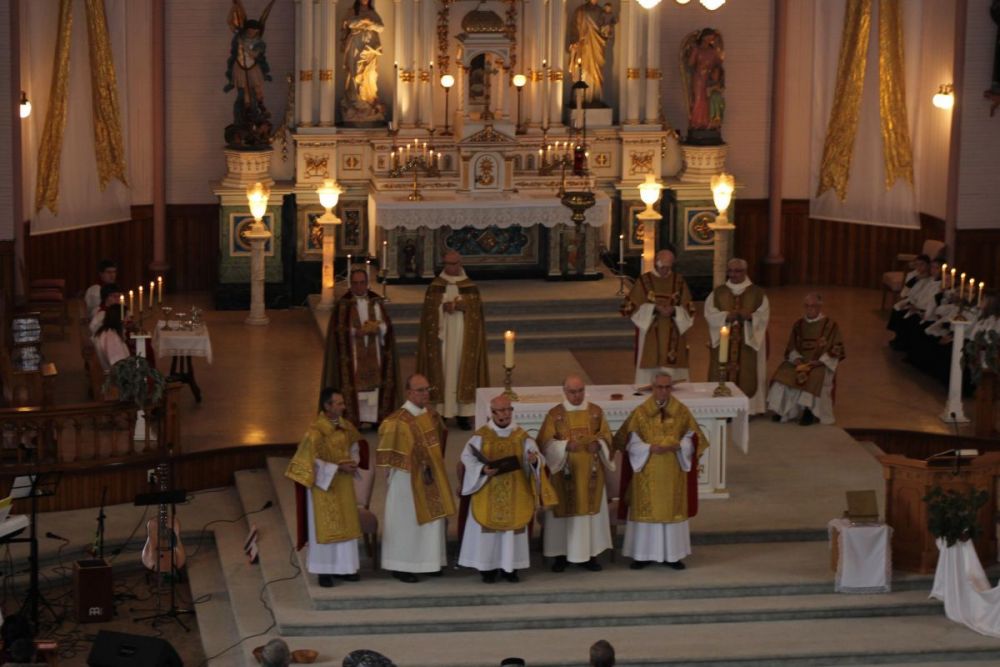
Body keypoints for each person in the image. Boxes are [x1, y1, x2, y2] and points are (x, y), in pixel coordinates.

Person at [458, 395, 556, 583]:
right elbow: (467, 457)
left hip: (516, 492)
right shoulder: (481, 436)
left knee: (512, 532)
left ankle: (510, 568)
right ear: (492, 413)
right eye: (501, 411)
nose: (505, 414)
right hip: (488, 490)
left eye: (508, 410)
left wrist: (534, 461)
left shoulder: (521, 436)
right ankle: (488, 569)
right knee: (489, 531)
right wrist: (482, 469)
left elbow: (538, 458)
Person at [613, 371, 706, 570]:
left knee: (671, 511)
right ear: (652, 388)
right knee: (647, 512)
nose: (663, 391)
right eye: (659, 387)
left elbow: (693, 438)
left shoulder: (681, 411)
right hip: (647, 470)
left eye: (667, 387)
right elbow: (628, 441)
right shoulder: (640, 412)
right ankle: (642, 554)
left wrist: (680, 445)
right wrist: (649, 448)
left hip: (673, 470)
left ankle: (673, 555)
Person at [376, 374, 455, 582]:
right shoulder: (396, 421)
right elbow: (386, 454)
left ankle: (429, 562)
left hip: (430, 475)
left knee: (433, 519)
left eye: (427, 389)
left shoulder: (431, 415)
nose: (425, 394)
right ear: (409, 392)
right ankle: (401, 565)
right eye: (420, 390)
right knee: (407, 521)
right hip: (406, 480)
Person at [284, 388, 363, 587]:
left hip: (343, 484)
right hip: (323, 487)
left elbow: (355, 447)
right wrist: (337, 467)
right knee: (326, 526)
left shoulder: (346, 426)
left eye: (343, 403)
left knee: (346, 523)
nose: (343, 407)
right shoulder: (315, 431)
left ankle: (345, 568)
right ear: (327, 406)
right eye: (338, 403)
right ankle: (324, 570)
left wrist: (354, 461)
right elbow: (311, 461)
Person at [538, 375, 614, 572]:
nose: (577, 395)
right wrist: (563, 446)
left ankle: (590, 554)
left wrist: (599, 445)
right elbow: (545, 443)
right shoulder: (555, 414)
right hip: (565, 473)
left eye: (580, 390)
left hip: (591, 474)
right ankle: (561, 555)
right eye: (572, 392)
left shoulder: (595, 412)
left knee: (588, 515)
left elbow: (607, 437)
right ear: (564, 391)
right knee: (564, 514)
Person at [415, 251, 489, 430]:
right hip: (443, 339)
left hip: (463, 338)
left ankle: (463, 414)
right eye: (448, 264)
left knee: (460, 369)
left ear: (460, 263)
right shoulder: (435, 286)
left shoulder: (469, 286)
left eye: (454, 264)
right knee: (444, 369)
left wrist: (465, 307)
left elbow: (476, 312)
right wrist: (442, 308)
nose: (451, 268)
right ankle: (440, 412)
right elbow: (428, 315)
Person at [320, 268, 399, 429]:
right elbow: (338, 330)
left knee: (375, 389)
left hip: (375, 351)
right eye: (355, 283)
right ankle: (355, 418)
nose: (359, 287)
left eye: (362, 283)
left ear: (367, 283)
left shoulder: (375, 301)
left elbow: (387, 324)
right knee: (355, 388)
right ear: (351, 284)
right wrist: (356, 332)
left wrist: (379, 329)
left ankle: (375, 418)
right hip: (353, 355)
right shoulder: (343, 304)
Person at [767, 293, 846, 426]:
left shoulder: (831, 326)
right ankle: (782, 411)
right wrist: (796, 358)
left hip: (819, 363)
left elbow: (837, 348)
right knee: (783, 373)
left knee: (814, 376)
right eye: (807, 306)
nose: (810, 309)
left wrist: (821, 361)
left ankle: (808, 412)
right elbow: (791, 346)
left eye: (814, 306)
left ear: (820, 307)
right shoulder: (798, 325)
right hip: (800, 361)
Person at [703, 258, 770, 414]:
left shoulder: (757, 293)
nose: (733, 274)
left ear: (745, 272)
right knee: (721, 371)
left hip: (748, 343)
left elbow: (764, 316)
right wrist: (726, 316)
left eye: (737, 271)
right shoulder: (718, 293)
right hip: (724, 342)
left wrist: (751, 317)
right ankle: (722, 407)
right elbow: (709, 314)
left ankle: (749, 409)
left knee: (748, 374)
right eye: (730, 271)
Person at [620, 248, 694, 386]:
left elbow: (689, 309)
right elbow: (629, 308)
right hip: (650, 333)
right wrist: (654, 308)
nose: (666, 271)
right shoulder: (644, 281)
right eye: (663, 267)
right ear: (655, 263)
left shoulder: (678, 281)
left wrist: (675, 310)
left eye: (668, 267)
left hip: (674, 333)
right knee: (651, 371)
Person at [341, 0, 386, 123]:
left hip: (370, 46)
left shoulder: (372, 12)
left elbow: (381, 27)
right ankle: (356, 101)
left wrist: (368, 22)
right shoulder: (352, 11)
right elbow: (349, 23)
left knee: (370, 74)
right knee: (355, 72)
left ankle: (368, 100)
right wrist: (363, 21)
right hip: (356, 44)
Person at [567, 0, 617, 105]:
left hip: (597, 46)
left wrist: (608, 29)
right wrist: (574, 40)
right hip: (584, 46)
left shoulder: (602, 12)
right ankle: (582, 97)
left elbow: (606, 31)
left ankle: (595, 97)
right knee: (583, 70)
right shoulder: (580, 11)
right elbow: (574, 28)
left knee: (597, 71)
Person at [682, 28, 725, 136]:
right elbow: (690, 64)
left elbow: (718, 64)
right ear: (705, 37)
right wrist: (691, 54)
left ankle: (708, 123)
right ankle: (697, 124)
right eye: (710, 36)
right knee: (698, 99)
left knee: (708, 100)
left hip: (709, 78)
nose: (712, 39)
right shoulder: (697, 49)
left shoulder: (713, 51)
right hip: (699, 77)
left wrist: (715, 74)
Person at [92, 305, 131, 372]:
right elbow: (118, 365)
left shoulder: (106, 331)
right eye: (126, 317)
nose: (128, 320)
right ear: (119, 318)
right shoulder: (112, 338)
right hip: (115, 377)